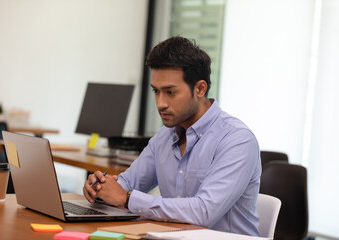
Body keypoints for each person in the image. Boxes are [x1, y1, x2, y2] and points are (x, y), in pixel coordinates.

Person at [83, 36, 261, 236]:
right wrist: (100, 188)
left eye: (170, 92)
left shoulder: (237, 140)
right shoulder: (165, 136)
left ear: (200, 88)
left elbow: (204, 212)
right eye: (156, 91)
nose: (160, 103)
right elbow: (128, 183)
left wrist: (126, 198)